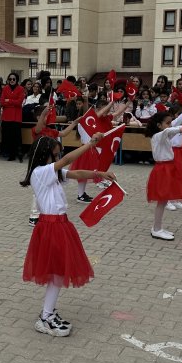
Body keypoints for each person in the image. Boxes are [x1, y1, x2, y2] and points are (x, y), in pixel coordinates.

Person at [21, 133, 113, 337]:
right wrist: (90, 144)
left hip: (59, 225)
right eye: (55, 154)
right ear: (45, 154)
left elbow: (76, 172)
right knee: (57, 273)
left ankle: (48, 313)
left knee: (58, 272)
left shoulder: (51, 171)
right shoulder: (40, 172)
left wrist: (100, 173)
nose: (58, 157)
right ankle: (45, 317)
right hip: (51, 226)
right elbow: (68, 161)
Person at [27, 105, 79, 225]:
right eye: (45, 116)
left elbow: (64, 133)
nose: (48, 117)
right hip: (40, 164)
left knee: (50, 188)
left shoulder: (50, 130)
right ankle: (33, 216)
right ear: (38, 117)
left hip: (51, 163)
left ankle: (46, 212)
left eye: (47, 115)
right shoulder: (36, 130)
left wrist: (74, 123)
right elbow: (38, 128)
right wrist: (44, 113)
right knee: (37, 192)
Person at [145, 109, 182, 240]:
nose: (170, 125)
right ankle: (156, 229)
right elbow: (168, 131)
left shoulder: (162, 136)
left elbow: (170, 131)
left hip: (168, 168)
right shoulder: (158, 136)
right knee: (162, 201)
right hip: (163, 170)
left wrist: (181, 128)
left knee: (163, 201)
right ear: (159, 125)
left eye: (170, 123)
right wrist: (181, 130)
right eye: (167, 123)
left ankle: (158, 227)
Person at [71, 100, 113, 203]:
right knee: (83, 174)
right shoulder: (83, 122)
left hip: (89, 150)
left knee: (85, 173)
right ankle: (80, 195)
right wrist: (110, 104)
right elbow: (98, 114)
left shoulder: (87, 123)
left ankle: (82, 193)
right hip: (86, 151)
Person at [0, 73, 26, 161]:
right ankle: (10, 154)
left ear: (17, 80)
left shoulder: (21, 89)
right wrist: (13, 102)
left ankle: (18, 153)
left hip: (16, 117)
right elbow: (2, 102)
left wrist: (8, 101)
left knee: (16, 137)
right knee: (7, 136)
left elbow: (19, 102)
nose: (12, 80)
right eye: (10, 79)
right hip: (6, 116)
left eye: (13, 79)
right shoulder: (5, 88)